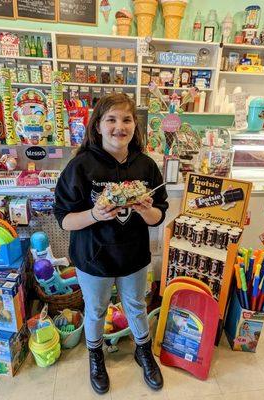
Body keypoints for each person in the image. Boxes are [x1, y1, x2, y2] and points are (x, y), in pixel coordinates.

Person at [54, 93, 168, 394]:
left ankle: (143, 351)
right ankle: (95, 355)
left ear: (135, 126)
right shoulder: (81, 166)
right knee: (95, 310)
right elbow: (65, 219)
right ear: (98, 127)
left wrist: (146, 209)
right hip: (93, 258)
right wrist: (94, 213)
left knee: (135, 305)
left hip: (133, 256)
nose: (120, 126)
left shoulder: (146, 166)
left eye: (127, 119)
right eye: (112, 119)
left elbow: (158, 217)